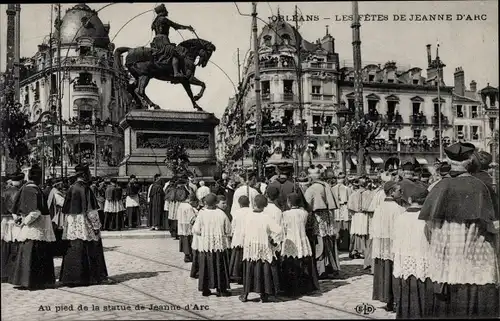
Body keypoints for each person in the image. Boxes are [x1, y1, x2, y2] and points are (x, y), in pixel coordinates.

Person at [418, 142, 499, 318]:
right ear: (471, 160)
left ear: (449, 160)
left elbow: (428, 227)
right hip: (473, 261)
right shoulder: (481, 187)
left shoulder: (439, 187)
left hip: (445, 263)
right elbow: (492, 226)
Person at [59, 164, 108, 287]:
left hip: (72, 223)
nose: (90, 175)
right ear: (84, 175)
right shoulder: (86, 189)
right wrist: (96, 227)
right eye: (89, 173)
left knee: (73, 248)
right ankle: (87, 278)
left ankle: (70, 278)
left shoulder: (71, 188)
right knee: (87, 248)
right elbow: (91, 212)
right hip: (84, 223)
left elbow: (66, 209)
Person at [10, 165, 56, 290]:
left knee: (29, 251)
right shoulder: (32, 190)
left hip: (35, 225)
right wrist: (25, 221)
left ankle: (28, 280)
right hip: (35, 225)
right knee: (34, 251)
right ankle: (34, 281)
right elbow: (35, 211)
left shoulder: (27, 188)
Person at [392, 186, 433, 319]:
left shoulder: (401, 218)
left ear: (409, 200)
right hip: (424, 261)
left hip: (405, 261)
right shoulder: (428, 219)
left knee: (407, 294)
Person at [239, 195, 282, 303]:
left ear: (254, 203)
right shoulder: (266, 217)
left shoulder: (247, 216)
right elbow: (278, 230)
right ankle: (264, 294)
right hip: (263, 246)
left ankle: (245, 294)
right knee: (264, 270)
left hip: (250, 246)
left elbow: (242, 231)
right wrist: (273, 239)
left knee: (249, 270)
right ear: (265, 205)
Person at [371, 181, 406, 312]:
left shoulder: (379, 208)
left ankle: (388, 300)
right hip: (393, 246)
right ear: (391, 192)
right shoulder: (399, 210)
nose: (402, 193)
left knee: (384, 273)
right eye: (399, 191)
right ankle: (395, 300)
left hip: (381, 246)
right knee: (394, 273)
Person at [280, 193, 320, 296]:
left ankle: (290, 288)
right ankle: (305, 287)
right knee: (304, 263)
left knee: (290, 264)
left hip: (290, 239)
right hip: (302, 239)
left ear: (289, 203)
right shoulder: (304, 213)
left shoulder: (285, 214)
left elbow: (283, 227)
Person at [192, 193, 231, 297]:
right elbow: (228, 229)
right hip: (219, 245)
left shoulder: (202, 213)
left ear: (205, 203)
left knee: (205, 267)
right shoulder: (221, 213)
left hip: (206, 246)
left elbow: (196, 229)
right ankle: (221, 289)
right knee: (220, 267)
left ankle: (205, 289)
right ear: (216, 203)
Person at [303, 168, 340, 279]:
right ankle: (330, 267)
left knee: (319, 242)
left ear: (312, 177)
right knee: (327, 241)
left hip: (317, 217)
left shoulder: (311, 189)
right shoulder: (326, 186)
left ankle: (321, 269)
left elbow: (307, 205)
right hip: (327, 216)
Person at [150, 3, 194, 79]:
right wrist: (187, 27)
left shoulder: (155, 22)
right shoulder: (164, 19)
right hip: (163, 40)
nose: (167, 12)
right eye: (165, 10)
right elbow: (176, 26)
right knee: (175, 52)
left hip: (156, 41)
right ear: (162, 11)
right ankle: (176, 72)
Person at [1, 172, 24, 283]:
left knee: (4, 244)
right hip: (14, 220)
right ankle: (12, 272)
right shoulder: (17, 192)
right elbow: (18, 208)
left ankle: (3, 272)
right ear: (18, 181)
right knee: (14, 244)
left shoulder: (4, 192)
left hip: (4, 220)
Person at [347, 178, 374, 260]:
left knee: (356, 233)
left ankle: (356, 250)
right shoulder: (370, 194)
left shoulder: (353, 194)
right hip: (365, 214)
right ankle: (363, 250)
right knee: (365, 233)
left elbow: (349, 207)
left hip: (356, 215)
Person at [228, 195, 252, 285]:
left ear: (239, 204)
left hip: (238, 237)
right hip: (248, 237)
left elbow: (233, 226)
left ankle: (237, 275)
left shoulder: (236, 213)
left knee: (238, 257)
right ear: (249, 203)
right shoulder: (252, 212)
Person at [331, 172, 351, 252]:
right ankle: (345, 245)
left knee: (337, 226)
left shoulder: (332, 189)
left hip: (337, 209)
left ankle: (338, 245)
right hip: (344, 208)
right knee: (344, 226)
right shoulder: (347, 189)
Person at [48, 178, 67, 257]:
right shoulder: (56, 193)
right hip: (58, 214)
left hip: (57, 213)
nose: (62, 185)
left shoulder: (54, 191)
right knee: (58, 232)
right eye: (60, 184)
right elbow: (62, 203)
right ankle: (57, 251)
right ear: (57, 184)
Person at [177, 193, 198, 263]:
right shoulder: (189, 207)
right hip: (188, 227)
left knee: (184, 241)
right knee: (189, 241)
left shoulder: (181, 205)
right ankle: (189, 256)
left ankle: (186, 255)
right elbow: (191, 218)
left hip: (182, 225)